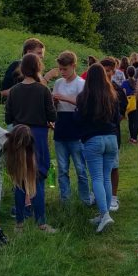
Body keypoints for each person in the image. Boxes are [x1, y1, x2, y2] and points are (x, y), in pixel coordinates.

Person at [5, 52, 57, 232]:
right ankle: (41, 222)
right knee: (39, 177)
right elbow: (52, 115)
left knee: (19, 179)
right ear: (38, 68)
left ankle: (19, 223)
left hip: (19, 135)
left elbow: (8, 117)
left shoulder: (14, 91)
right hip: (38, 136)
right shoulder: (43, 90)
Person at [75, 63, 120, 233]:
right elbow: (117, 118)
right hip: (111, 138)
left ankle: (104, 214)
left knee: (97, 178)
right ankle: (104, 213)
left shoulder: (83, 97)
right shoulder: (112, 95)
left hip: (93, 140)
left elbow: (78, 120)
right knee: (107, 177)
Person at [50, 50, 92, 206]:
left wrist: (64, 98)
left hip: (76, 130)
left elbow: (84, 105)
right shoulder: (58, 83)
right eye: (60, 69)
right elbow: (55, 105)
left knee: (81, 169)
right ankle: (65, 200)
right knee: (62, 169)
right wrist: (54, 102)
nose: (62, 72)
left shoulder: (81, 83)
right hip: (61, 128)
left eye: (65, 69)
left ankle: (85, 199)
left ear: (73, 66)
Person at [100, 57, 128, 211]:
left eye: (109, 70)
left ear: (113, 71)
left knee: (113, 166)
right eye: (103, 70)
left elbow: (122, 114)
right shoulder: (93, 89)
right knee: (98, 167)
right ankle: (100, 194)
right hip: (96, 134)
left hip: (113, 133)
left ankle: (113, 197)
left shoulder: (117, 90)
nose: (106, 73)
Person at [121, 65, 138, 143]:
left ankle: (131, 137)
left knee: (130, 121)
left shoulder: (124, 83)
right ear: (134, 73)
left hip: (129, 103)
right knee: (136, 121)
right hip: (137, 103)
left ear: (127, 73)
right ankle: (135, 138)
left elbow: (123, 94)